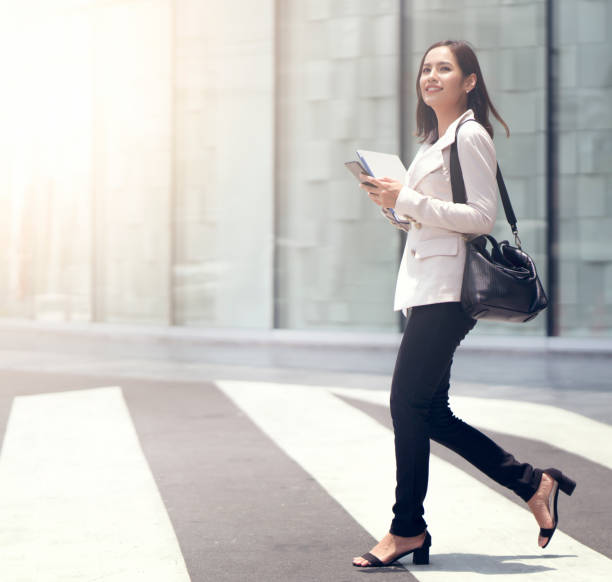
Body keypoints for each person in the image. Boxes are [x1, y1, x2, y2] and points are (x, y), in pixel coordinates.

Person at [351, 40, 576, 569]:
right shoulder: (433, 142)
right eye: (426, 69)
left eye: (444, 68)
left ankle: (406, 528)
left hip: (449, 291)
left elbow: (480, 217)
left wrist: (405, 199)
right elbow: (436, 216)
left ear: (469, 81)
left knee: (405, 404)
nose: (431, 76)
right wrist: (397, 208)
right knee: (430, 411)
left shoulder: (469, 134)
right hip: (426, 287)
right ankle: (533, 482)